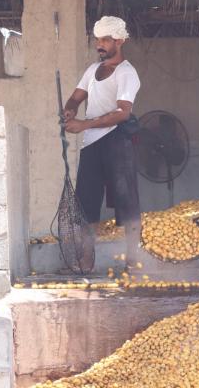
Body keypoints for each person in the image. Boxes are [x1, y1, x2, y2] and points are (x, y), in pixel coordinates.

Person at [63, 16, 141, 269]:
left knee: (127, 202)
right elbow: (75, 98)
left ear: (119, 41)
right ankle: (86, 261)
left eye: (106, 40)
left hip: (118, 141)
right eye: (98, 40)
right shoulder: (91, 71)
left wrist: (84, 125)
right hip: (91, 145)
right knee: (86, 203)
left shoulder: (127, 73)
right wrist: (70, 110)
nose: (100, 45)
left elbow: (123, 113)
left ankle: (133, 260)